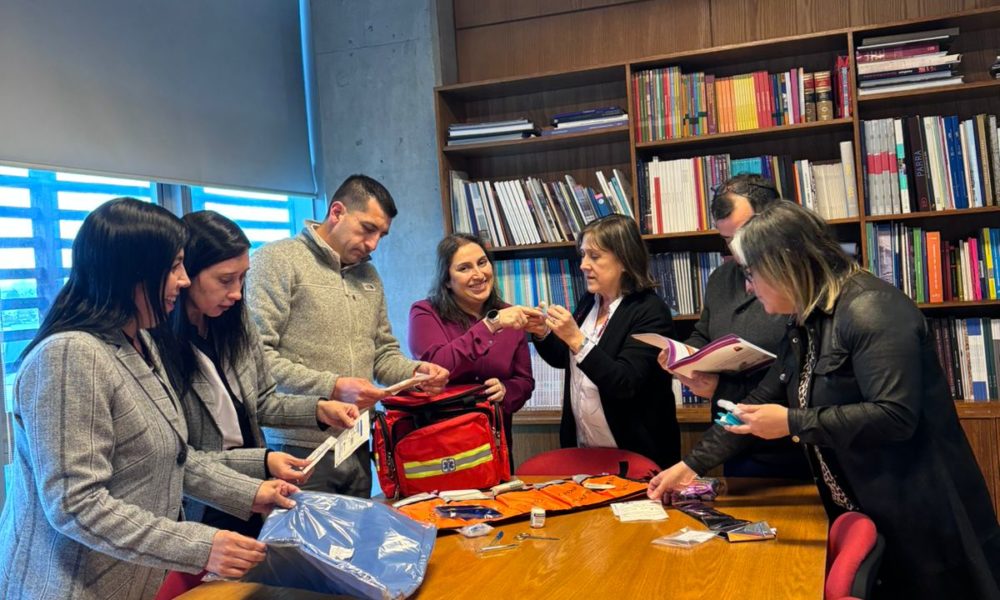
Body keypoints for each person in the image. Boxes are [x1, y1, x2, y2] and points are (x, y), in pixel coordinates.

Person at [647, 201, 1000, 599]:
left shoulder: (871, 309)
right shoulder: (806, 318)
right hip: (866, 506)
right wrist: (688, 465)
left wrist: (792, 422)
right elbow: (760, 400)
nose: (747, 286)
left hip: (922, 514)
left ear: (785, 265)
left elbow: (895, 415)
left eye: (750, 273)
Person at [0, 198, 299, 600]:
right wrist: (201, 546)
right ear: (134, 274)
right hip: (71, 586)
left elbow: (175, 456)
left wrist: (252, 493)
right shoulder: (69, 354)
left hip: (134, 579)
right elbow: (76, 504)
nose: (184, 280)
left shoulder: (140, 342)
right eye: (174, 266)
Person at [155, 211, 361, 538]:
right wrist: (263, 461)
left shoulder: (235, 323)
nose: (237, 293)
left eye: (242, 278)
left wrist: (318, 409)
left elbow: (262, 402)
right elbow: (182, 459)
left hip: (254, 493)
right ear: (186, 274)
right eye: (225, 280)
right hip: (200, 507)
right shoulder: (156, 344)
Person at [246, 174, 449, 497]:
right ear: (337, 212)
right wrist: (334, 386)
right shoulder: (276, 261)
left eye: (381, 235)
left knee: (356, 546)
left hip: (357, 443)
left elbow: (382, 352)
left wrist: (415, 372)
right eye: (367, 229)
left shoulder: (368, 274)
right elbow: (257, 362)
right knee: (304, 548)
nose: (373, 245)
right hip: (297, 447)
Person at [662, 174, 809, 478]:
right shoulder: (721, 278)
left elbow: (790, 378)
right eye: (727, 239)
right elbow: (705, 332)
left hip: (790, 443)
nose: (735, 248)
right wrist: (686, 357)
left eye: (742, 235)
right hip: (732, 436)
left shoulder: (797, 288)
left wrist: (721, 386)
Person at [528, 213, 679, 468]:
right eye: (583, 255)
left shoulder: (650, 310)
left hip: (636, 455)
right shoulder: (590, 301)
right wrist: (542, 332)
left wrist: (576, 338)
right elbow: (565, 359)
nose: (583, 265)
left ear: (624, 260)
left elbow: (624, 382)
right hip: (584, 449)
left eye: (594, 257)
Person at [408, 233, 540, 454]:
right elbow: (435, 367)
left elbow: (525, 381)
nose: (479, 275)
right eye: (464, 268)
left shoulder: (509, 313)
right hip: (442, 446)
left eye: (482, 263)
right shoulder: (424, 312)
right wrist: (490, 325)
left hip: (496, 446)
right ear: (447, 281)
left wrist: (506, 390)